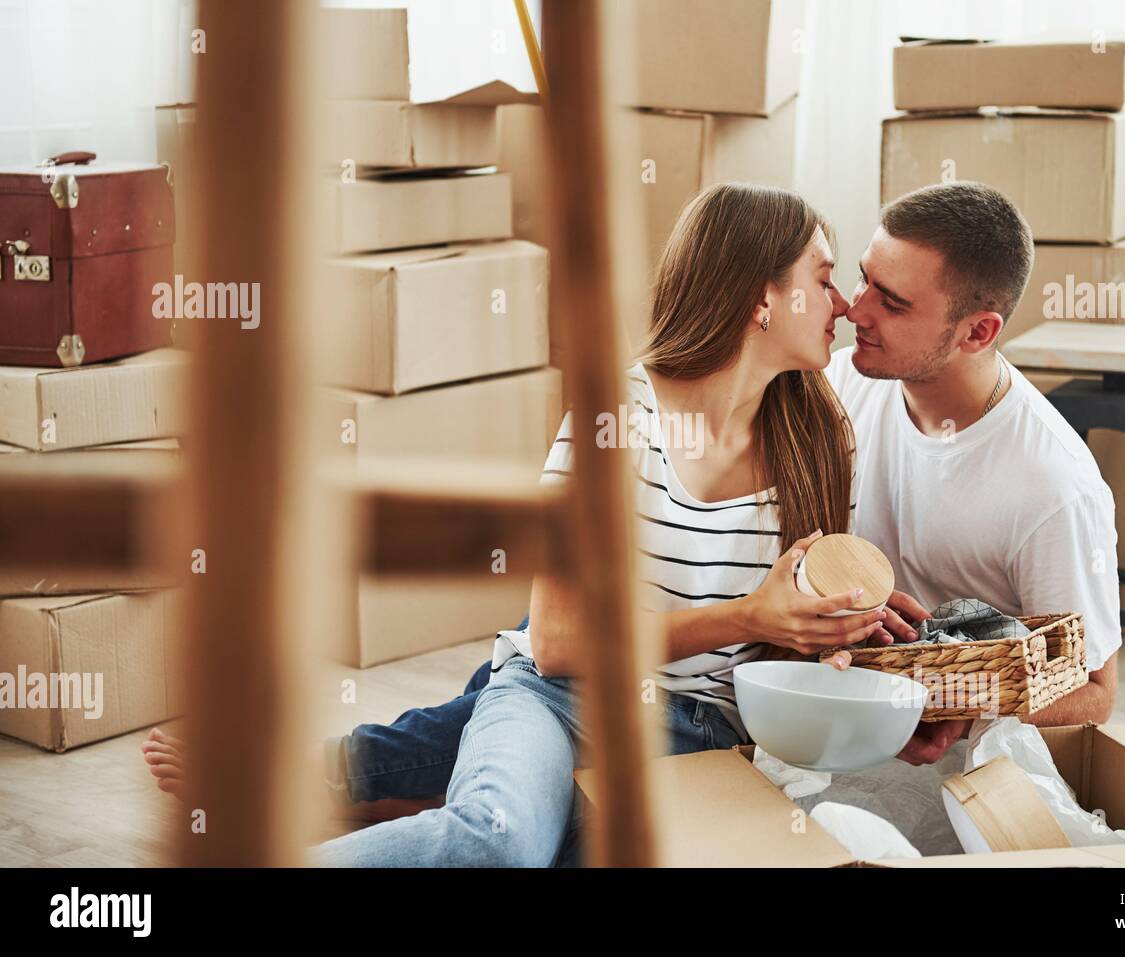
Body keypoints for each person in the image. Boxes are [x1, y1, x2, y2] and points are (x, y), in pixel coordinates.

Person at [143, 182, 926, 864]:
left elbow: (784, 644)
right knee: (498, 839)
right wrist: (752, 614)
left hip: (705, 732)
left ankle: (369, 794)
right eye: (825, 281)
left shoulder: (823, 439)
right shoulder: (621, 417)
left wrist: (848, 640)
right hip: (561, 695)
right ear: (762, 297)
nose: (847, 306)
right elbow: (554, 642)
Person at [824, 181, 1121, 765]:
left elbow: (1094, 692)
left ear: (978, 331)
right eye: (863, 278)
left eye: (893, 301)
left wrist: (959, 700)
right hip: (835, 734)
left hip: (963, 784)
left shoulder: (1054, 488)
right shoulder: (838, 386)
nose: (854, 309)